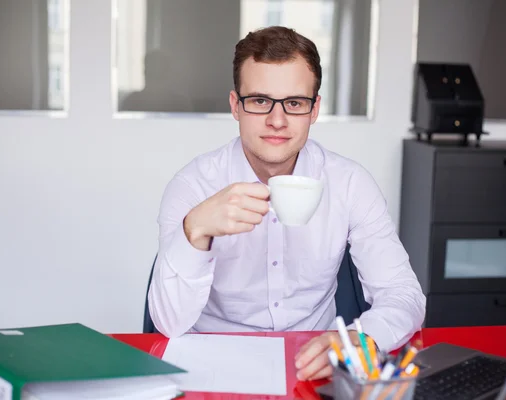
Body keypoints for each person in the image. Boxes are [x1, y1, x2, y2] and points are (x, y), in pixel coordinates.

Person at [148, 26, 426, 381]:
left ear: (314, 110)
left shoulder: (349, 183)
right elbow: (168, 324)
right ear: (236, 105)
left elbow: (403, 294)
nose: (277, 121)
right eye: (260, 101)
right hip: (213, 362)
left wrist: (362, 338)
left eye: (294, 103)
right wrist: (195, 229)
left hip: (313, 363)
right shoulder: (193, 185)